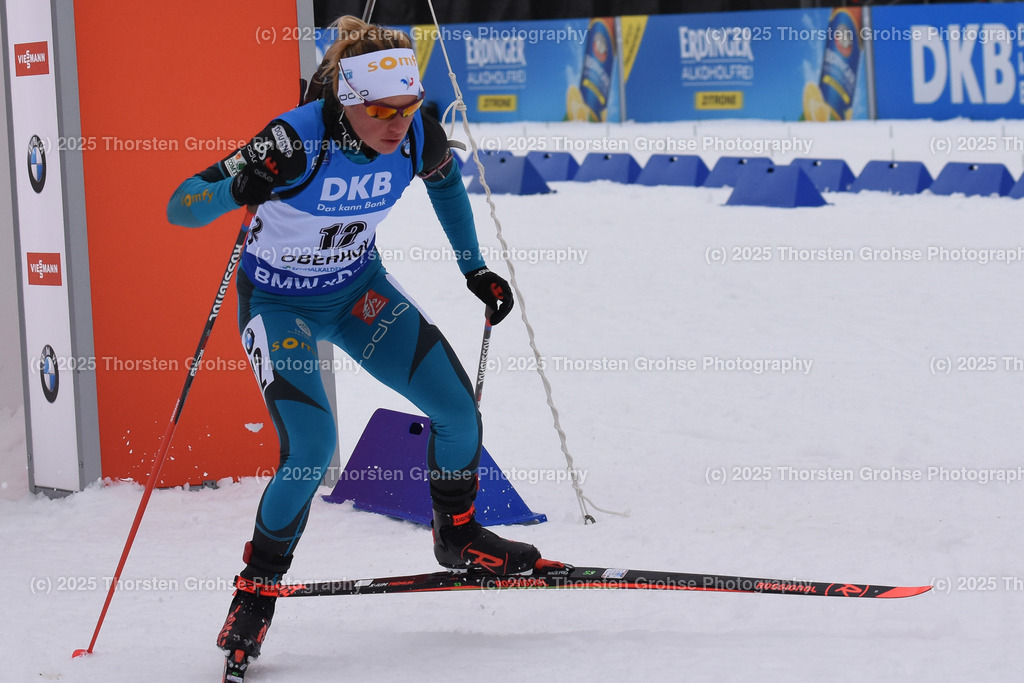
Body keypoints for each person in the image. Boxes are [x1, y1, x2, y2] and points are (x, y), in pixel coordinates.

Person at [167, 15, 541, 666]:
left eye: (408, 105)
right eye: (382, 108)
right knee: (310, 449)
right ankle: (256, 591)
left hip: (358, 295)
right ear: (346, 100)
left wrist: (473, 268)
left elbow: (446, 183)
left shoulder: (417, 133)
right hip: (280, 305)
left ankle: (456, 536)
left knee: (457, 412)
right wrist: (237, 187)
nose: (398, 122)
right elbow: (181, 204)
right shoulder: (293, 138)